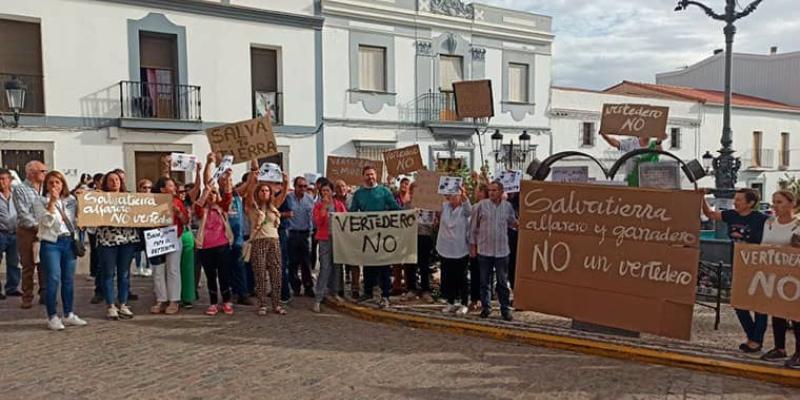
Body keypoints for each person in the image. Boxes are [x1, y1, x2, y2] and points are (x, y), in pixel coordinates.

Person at [702, 188, 769, 353]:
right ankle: (752, 336)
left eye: (739, 199)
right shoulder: (732, 215)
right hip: (738, 264)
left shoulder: (761, 219)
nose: (735, 202)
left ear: (750, 203)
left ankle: (755, 340)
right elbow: (710, 214)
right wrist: (700, 197)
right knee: (739, 303)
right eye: (735, 199)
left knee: (760, 305)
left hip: (758, 266)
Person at [754, 190, 800, 368]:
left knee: (796, 316)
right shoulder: (769, 223)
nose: (775, 206)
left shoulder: (797, 225)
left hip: (794, 277)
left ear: (791, 203)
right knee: (777, 312)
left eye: (779, 202)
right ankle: (780, 348)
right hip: (774, 275)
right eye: (774, 202)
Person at [37, 170, 87, 330]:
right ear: (46, 185)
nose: (54, 186)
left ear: (63, 184)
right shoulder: (40, 200)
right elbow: (45, 222)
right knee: (53, 278)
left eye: (57, 182)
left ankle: (68, 314)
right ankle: (52, 316)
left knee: (68, 279)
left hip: (69, 241)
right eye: (51, 183)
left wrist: (84, 199)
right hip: (51, 243)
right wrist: (51, 202)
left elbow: (81, 217)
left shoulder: (71, 200)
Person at [350, 166, 400, 308]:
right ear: (363, 176)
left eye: (372, 174)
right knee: (368, 265)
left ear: (376, 175)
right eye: (367, 175)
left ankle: (385, 295)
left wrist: (409, 214)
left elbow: (395, 208)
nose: (370, 177)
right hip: (367, 236)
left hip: (383, 236)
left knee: (384, 266)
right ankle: (368, 292)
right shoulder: (358, 194)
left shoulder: (384, 191)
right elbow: (353, 212)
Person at [244, 161, 289, 316]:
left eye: (267, 190)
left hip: (274, 241)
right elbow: (249, 194)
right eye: (261, 190)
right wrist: (253, 180)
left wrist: (286, 181)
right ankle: (262, 304)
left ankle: (276, 304)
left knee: (276, 273)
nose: (264, 192)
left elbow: (283, 194)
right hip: (259, 242)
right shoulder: (252, 207)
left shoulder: (274, 206)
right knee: (260, 273)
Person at [470, 180, 518, 321]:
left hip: (502, 251)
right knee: (484, 281)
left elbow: (512, 222)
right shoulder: (481, 206)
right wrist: (472, 246)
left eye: (494, 190)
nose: (491, 193)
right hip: (485, 250)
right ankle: (486, 308)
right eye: (490, 190)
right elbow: (473, 227)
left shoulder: (507, 207)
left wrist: (523, 224)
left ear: (501, 192)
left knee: (503, 282)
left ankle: (505, 310)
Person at [195, 153, 235, 316]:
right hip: (205, 247)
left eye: (214, 193)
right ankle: (212, 303)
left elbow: (228, 195)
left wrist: (228, 179)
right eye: (211, 194)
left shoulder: (222, 208)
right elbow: (199, 203)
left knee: (224, 275)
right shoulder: (202, 210)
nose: (212, 195)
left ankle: (226, 301)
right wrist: (207, 190)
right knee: (210, 276)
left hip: (222, 246)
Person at [96, 171, 139, 320]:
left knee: (124, 273)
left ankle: (123, 304)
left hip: (127, 240)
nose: (114, 182)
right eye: (111, 180)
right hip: (107, 240)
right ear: (106, 183)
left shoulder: (130, 197)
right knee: (108, 273)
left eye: (117, 179)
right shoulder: (99, 198)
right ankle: (110, 305)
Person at [149, 176, 189, 315]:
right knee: (158, 270)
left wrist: (178, 212)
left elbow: (185, 220)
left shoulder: (178, 201)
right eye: (170, 186)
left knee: (173, 269)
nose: (174, 188)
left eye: (174, 186)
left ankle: (174, 300)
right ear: (162, 189)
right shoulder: (152, 202)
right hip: (156, 238)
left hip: (173, 237)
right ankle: (161, 299)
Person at [13, 160, 47, 309]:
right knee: (28, 265)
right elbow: (22, 212)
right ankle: (27, 296)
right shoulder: (20, 189)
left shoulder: (46, 188)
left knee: (45, 264)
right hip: (27, 231)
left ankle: (45, 294)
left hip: (46, 230)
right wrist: (36, 226)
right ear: (31, 173)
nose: (45, 174)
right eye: (42, 171)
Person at [311, 180, 347, 313]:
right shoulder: (318, 206)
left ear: (332, 192)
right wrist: (324, 208)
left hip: (337, 239)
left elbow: (345, 220)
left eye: (327, 190)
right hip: (324, 239)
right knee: (325, 267)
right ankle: (318, 298)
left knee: (337, 266)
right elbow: (318, 222)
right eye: (323, 191)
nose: (325, 193)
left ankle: (335, 292)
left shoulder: (339, 205)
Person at [437, 184, 472, 316]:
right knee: (448, 276)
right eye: (451, 194)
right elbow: (431, 203)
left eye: (455, 194)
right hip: (445, 247)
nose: (452, 197)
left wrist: (465, 197)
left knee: (461, 277)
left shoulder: (464, 209)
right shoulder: (444, 206)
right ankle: (451, 302)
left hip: (460, 248)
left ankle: (464, 303)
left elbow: (470, 211)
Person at [285, 176, 316, 297]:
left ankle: (308, 286)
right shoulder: (288, 198)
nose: (302, 188)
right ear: (295, 186)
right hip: (292, 233)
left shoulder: (309, 199)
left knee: (306, 262)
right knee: (292, 262)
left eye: (305, 186)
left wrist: (311, 233)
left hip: (305, 234)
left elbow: (312, 217)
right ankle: (295, 286)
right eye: (300, 186)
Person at [405, 181, 434, 303]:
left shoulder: (429, 205)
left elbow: (433, 222)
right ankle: (411, 288)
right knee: (410, 264)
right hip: (410, 238)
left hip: (424, 236)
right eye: (413, 191)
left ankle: (425, 290)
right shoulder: (407, 205)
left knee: (424, 264)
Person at [0, 168, 21, 299]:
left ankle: (12, 287)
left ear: (10, 180)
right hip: (0, 232)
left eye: (4, 179)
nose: (1, 182)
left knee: (14, 262)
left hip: (15, 233)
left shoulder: (17, 195)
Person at [133, 179, 154, 277]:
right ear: (139, 188)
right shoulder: (134, 200)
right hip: (138, 227)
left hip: (150, 228)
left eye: (149, 188)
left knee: (148, 248)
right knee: (137, 249)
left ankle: (149, 267)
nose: (147, 190)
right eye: (144, 188)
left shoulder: (155, 199)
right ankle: (138, 267)